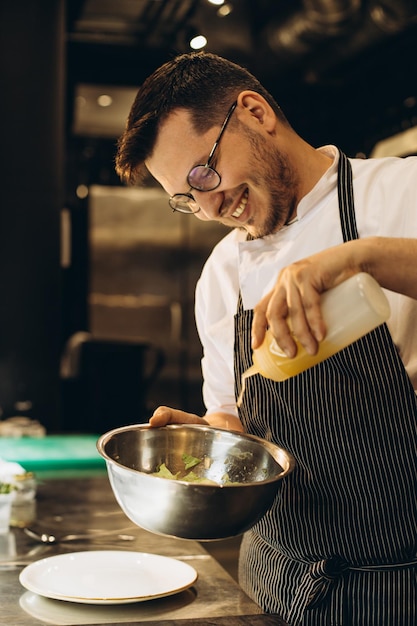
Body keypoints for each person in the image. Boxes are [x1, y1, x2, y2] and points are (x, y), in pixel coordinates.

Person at [115, 51, 417, 625]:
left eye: (204, 174)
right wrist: (209, 444)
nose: (208, 207)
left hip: (400, 581)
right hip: (271, 581)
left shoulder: (403, 192)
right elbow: (235, 417)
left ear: (253, 112)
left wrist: (366, 258)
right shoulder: (222, 274)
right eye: (185, 197)